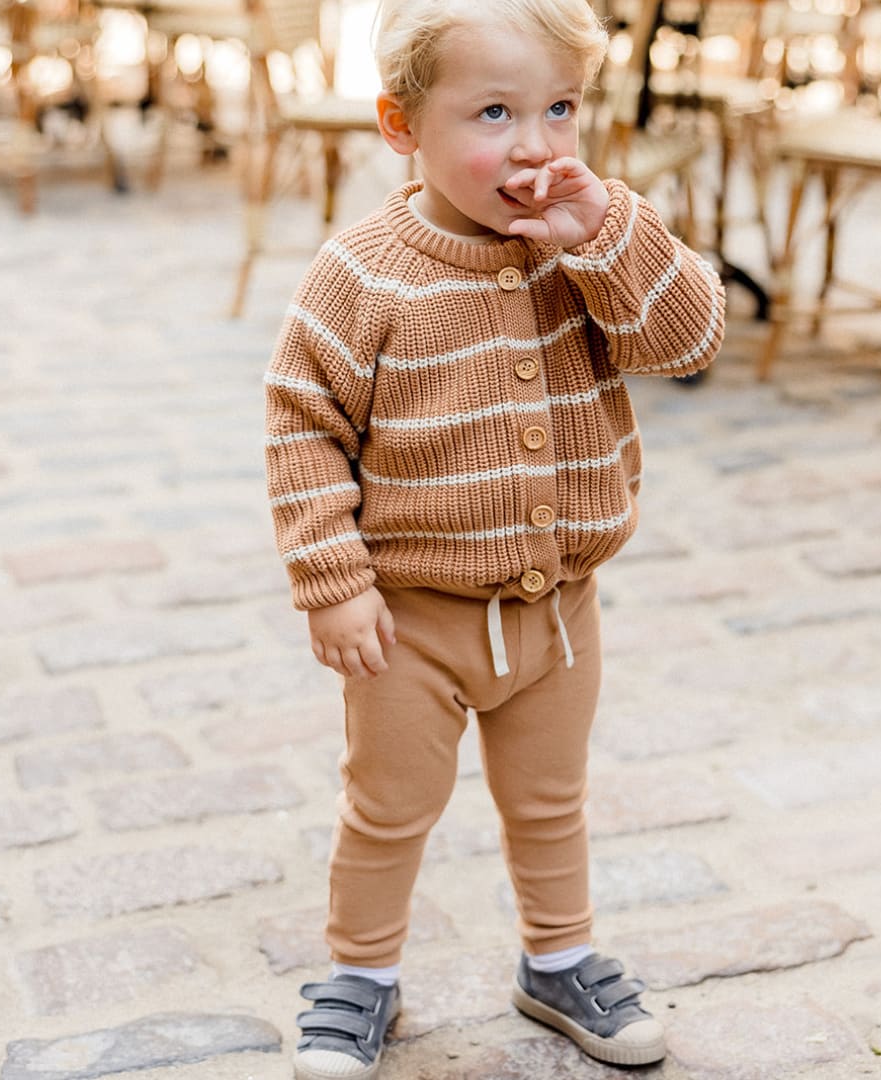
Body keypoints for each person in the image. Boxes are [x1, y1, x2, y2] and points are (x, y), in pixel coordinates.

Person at [264, 0, 725, 1075]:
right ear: (401, 126)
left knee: (550, 797)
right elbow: (301, 422)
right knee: (388, 807)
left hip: (558, 608)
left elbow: (689, 337)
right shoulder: (365, 273)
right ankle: (360, 974)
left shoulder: (591, 241)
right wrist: (331, 580)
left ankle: (558, 959)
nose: (534, 145)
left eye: (558, 109)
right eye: (494, 113)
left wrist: (607, 237)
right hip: (410, 621)